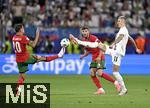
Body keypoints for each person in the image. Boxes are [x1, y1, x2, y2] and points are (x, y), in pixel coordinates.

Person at [70, 16, 141, 96]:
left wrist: (113, 44)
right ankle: (78, 40)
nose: (117, 22)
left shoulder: (123, 30)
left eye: (119, 21)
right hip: (113, 51)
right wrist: (136, 48)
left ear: (123, 22)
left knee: (115, 72)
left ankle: (123, 88)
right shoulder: (123, 30)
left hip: (117, 52)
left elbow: (120, 37)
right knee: (99, 45)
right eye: (118, 21)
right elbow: (130, 38)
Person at [12, 24, 65, 95]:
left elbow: (21, 48)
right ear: (21, 29)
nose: (24, 29)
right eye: (23, 28)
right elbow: (33, 45)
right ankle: (59, 55)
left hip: (19, 59)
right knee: (41, 58)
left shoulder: (14, 37)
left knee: (22, 76)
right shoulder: (23, 37)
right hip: (26, 58)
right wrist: (37, 34)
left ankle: (18, 91)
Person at [71, 26, 121, 95]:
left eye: (86, 31)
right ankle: (101, 89)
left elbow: (101, 46)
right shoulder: (84, 40)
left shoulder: (93, 38)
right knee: (92, 73)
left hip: (100, 56)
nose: (84, 32)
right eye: (83, 31)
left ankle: (116, 83)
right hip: (94, 57)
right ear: (81, 32)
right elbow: (89, 50)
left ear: (88, 31)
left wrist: (100, 57)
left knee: (99, 73)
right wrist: (84, 55)